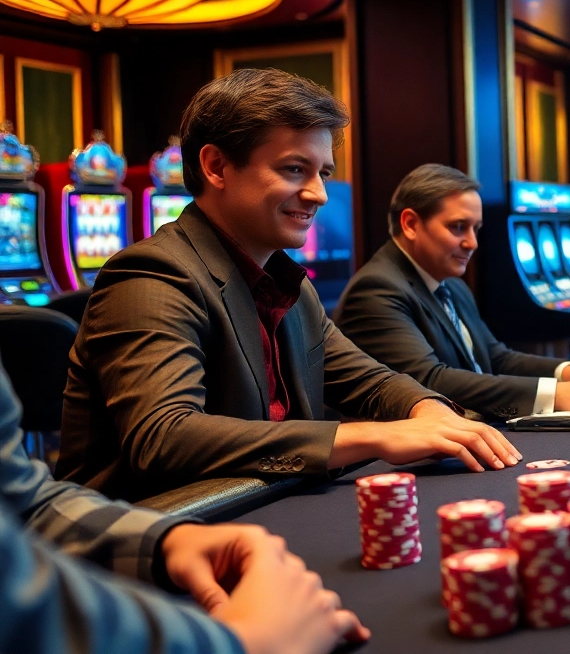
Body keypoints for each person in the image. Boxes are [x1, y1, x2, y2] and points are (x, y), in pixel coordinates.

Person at [58, 69, 520, 501]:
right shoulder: (151, 275)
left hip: (258, 510)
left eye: (323, 173)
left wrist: (426, 408)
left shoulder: (286, 282)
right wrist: (372, 434)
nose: (319, 193)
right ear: (217, 166)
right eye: (294, 169)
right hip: (149, 546)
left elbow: (369, 382)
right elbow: (164, 437)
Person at [0, 361, 368, 654]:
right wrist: (237, 644)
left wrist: (164, 539)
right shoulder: (152, 272)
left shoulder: (292, 288)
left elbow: (25, 501)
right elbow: (164, 433)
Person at [334, 164, 570, 422]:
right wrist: (555, 395)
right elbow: (427, 381)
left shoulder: (450, 282)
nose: (472, 242)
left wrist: (569, 373)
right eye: (458, 227)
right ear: (411, 224)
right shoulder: (377, 289)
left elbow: (494, 357)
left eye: (475, 228)